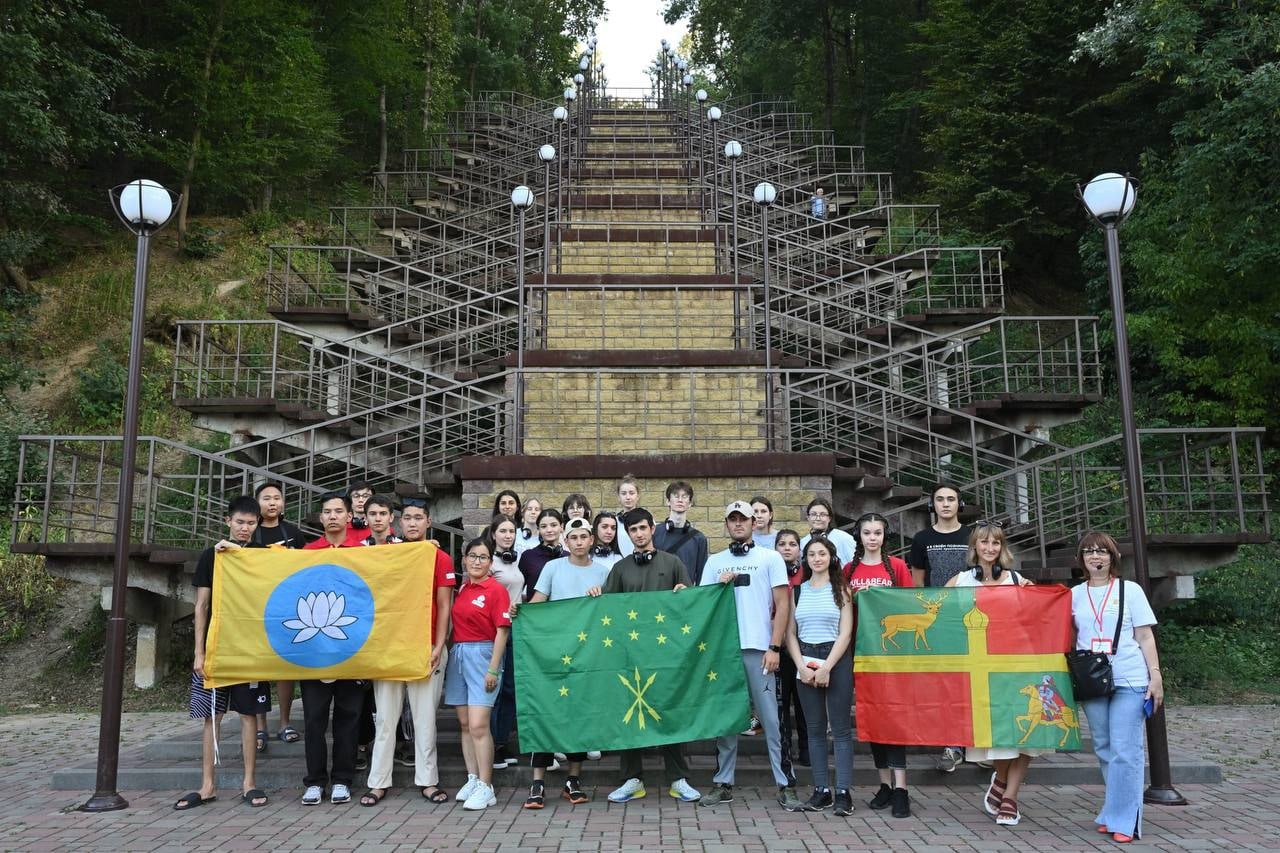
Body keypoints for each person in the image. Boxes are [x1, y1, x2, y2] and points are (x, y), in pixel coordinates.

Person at [590, 508, 701, 804]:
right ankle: (632, 779)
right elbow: (607, 613)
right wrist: (595, 598)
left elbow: (689, 606)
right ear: (628, 535)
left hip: (666, 656)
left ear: (652, 528)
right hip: (629, 656)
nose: (638, 534)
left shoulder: (673, 563)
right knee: (631, 716)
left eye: (642, 528)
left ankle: (678, 779)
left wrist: (683, 592)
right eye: (633, 530)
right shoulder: (620, 569)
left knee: (669, 711)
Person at [698, 501, 801, 810]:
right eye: (733, 519)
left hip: (760, 650)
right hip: (725, 652)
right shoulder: (715, 562)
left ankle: (786, 784)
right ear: (727, 524)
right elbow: (703, 604)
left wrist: (774, 646)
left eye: (744, 519)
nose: (738, 524)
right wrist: (718, 585)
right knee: (727, 719)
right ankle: (723, 782)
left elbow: (782, 605)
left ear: (754, 523)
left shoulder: (770, 558)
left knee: (772, 719)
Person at [173, 495, 270, 811]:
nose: (244, 528)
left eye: (250, 523)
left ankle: (249, 783)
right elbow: (201, 605)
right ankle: (207, 785)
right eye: (239, 522)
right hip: (217, 647)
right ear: (228, 521)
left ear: (258, 524)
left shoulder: (265, 557)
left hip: (251, 648)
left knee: (248, 714)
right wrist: (199, 652)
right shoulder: (212, 556)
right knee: (210, 716)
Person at [360, 497, 455, 807]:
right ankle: (377, 782)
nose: (413, 523)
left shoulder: (440, 558)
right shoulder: (388, 554)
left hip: (426, 645)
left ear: (428, 522)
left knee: (425, 717)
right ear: (399, 523)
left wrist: (439, 645)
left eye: (419, 518)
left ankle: (428, 781)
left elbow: (444, 605)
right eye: (408, 518)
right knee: (386, 719)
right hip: (390, 646)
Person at [1071, 531, 1164, 844]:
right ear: (1082, 559)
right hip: (1093, 679)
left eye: (1102, 552)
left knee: (1126, 750)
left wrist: (1156, 675)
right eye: (1089, 552)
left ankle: (1127, 820)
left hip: (1130, 677)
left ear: (1113, 557)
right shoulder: (1074, 594)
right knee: (1104, 746)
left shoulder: (1131, 590)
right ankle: (1113, 811)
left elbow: (1145, 636)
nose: (1095, 557)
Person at [945, 521, 1038, 826]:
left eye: (995, 543)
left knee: (1028, 734)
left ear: (1002, 548)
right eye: (984, 543)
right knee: (1001, 733)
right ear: (974, 547)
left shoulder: (1016, 580)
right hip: (984, 668)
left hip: (1020, 664)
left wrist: (1034, 596)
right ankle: (999, 779)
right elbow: (939, 610)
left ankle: (1009, 795)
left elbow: (1037, 615)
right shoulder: (961, 581)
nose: (989, 549)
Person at [515, 517, 611, 809]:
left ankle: (574, 779)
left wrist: (601, 596)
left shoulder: (604, 572)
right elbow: (538, 601)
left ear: (591, 540)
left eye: (584, 536)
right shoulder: (552, 567)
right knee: (546, 711)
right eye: (574, 537)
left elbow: (610, 612)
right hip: (554, 653)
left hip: (587, 655)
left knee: (579, 714)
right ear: (565, 542)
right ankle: (538, 781)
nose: (579, 542)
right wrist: (521, 613)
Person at [299, 491, 366, 805]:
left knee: (348, 716)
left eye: (339, 511)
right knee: (313, 717)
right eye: (327, 511)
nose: (333, 516)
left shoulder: (366, 552)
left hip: (352, 646)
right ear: (321, 517)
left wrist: (425, 548)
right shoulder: (306, 552)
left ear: (349, 516)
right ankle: (314, 781)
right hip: (314, 647)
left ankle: (342, 779)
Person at [845, 512, 914, 817]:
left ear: (885, 536)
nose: (872, 538)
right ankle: (884, 784)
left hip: (892, 655)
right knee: (871, 717)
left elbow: (910, 606)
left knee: (894, 719)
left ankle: (901, 788)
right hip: (862, 654)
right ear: (859, 537)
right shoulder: (849, 569)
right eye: (867, 533)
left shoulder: (897, 567)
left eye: (877, 533)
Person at [786, 534, 854, 815]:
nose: (817, 559)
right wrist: (801, 666)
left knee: (839, 730)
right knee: (814, 729)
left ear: (831, 558)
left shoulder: (842, 589)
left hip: (835, 659)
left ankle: (843, 792)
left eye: (822, 554)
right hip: (805, 658)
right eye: (812, 554)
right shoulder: (797, 591)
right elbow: (790, 632)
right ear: (806, 559)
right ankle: (821, 790)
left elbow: (846, 631)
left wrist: (827, 667)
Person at [910, 483, 973, 772]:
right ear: (931, 505)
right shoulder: (922, 539)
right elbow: (918, 584)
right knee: (947, 682)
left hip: (972, 616)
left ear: (959, 504)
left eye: (951, 499)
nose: (945, 504)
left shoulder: (972, 536)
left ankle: (978, 745)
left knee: (972, 681)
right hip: (939, 619)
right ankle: (952, 744)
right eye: (939, 499)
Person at [448, 537, 512, 810]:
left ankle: (487, 786)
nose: (476, 561)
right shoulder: (462, 589)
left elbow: (502, 631)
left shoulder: (496, 590)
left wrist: (492, 669)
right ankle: (473, 778)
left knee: (478, 725)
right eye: (472, 556)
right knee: (464, 723)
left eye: (483, 557)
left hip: (484, 655)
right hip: (459, 654)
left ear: (490, 562)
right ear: (465, 559)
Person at [250, 481, 304, 749]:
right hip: (256, 607)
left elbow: (308, 566)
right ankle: (260, 727)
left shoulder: (293, 532)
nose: (272, 502)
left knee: (285, 666)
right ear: (257, 504)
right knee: (259, 667)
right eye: (266, 498)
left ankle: (285, 721)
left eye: (277, 498)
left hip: (287, 608)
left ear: (283, 504)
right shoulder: (250, 533)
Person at [486, 515, 524, 770]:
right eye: (503, 531)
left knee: (510, 689)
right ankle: (491, 746)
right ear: (494, 534)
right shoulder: (488, 562)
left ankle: (502, 741)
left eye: (511, 531)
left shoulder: (517, 560)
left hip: (516, 632)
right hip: (496, 632)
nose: (508, 535)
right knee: (496, 692)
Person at [773, 529, 808, 767]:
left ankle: (807, 751)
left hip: (804, 647)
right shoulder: (769, 572)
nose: (787, 548)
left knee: (804, 703)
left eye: (792, 544)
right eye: (782, 544)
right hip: (777, 647)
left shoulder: (808, 574)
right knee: (780, 704)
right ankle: (783, 751)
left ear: (799, 549)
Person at [653, 481, 709, 585]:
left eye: (684, 496)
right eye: (676, 496)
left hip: (686, 595)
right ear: (668, 501)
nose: (680, 500)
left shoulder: (699, 538)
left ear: (690, 503)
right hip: (659, 595)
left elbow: (702, 576)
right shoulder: (654, 532)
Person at [518, 508, 564, 598]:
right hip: (535, 610)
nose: (549, 530)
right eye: (543, 526)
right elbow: (518, 589)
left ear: (561, 527)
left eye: (553, 525)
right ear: (538, 529)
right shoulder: (528, 556)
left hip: (563, 610)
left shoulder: (568, 557)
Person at [800, 498, 856, 566]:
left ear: (829, 518)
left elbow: (853, 564)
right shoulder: (803, 542)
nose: (818, 518)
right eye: (813, 514)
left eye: (823, 514)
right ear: (808, 518)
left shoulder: (844, 538)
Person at [614, 475, 641, 555]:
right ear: (619, 496)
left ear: (638, 496)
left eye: (631, 493)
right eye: (623, 493)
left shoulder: (647, 519)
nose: (628, 497)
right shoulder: (614, 521)